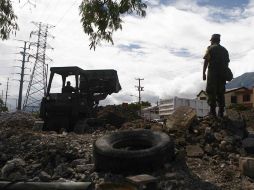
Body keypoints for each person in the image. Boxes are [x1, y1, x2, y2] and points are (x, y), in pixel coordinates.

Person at [203, 34, 230, 117]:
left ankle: (212, 112)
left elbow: (206, 61)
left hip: (213, 73)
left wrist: (203, 72)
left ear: (213, 40)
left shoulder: (210, 48)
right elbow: (227, 63)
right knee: (221, 92)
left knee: (211, 91)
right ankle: (221, 112)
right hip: (222, 74)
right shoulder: (225, 50)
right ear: (219, 41)